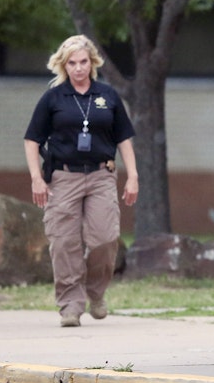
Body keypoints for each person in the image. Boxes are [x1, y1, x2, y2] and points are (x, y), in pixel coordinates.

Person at [24, 35, 138, 327]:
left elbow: (124, 137)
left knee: (105, 238)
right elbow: (32, 140)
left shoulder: (108, 96)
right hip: (64, 176)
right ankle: (70, 305)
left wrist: (133, 176)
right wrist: (37, 178)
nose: (78, 68)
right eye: (72, 63)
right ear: (64, 65)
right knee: (64, 243)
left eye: (83, 62)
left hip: (101, 174)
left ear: (92, 62)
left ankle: (95, 293)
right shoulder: (53, 98)